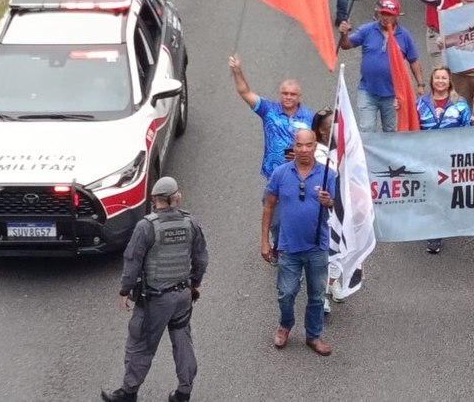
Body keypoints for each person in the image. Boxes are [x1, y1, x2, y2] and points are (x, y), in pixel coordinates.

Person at [101, 177, 209, 402]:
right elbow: (201, 258)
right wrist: (194, 283)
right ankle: (184, 392)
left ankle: (128, 392)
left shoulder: (146, 227)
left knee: (140, 345)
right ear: (176, 198)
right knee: (183, 342)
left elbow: (132, 260)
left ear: (154, 199)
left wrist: (125, 290)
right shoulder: (190, 223)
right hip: (182, 296)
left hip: (155, 300)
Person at [228, 54, 314, 263]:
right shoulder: (269, 110)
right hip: (275, 176)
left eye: (292, 94)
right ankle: (277, 242)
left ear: (299, 96)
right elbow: (245, 92)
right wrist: (237, 71)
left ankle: (295, 250)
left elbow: (320, 142)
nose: (288, 97)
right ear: (280, 94)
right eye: (285, 93)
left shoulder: (310, 118)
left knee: (298, 216)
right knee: (275, 219)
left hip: (301, 175)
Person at [263, 129, 337, 356]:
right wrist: (264, 241)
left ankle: (313, 335)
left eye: (308, 145)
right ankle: (285, 325)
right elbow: (269, 206)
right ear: (293, 147)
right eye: (299, 145)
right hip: (288, 246)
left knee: (317, 295)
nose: (304, 150)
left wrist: (328, 202)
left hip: (317, 246)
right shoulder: (280, 174)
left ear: (315, 146)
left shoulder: (328, 175)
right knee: (286, 293)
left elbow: (338, 208)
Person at [338, 0, 425, 132]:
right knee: (367, 129)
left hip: (393, 94)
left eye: (389, 14)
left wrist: (420, 85)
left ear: (397, 16)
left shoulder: (404, 35)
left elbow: (413, 60)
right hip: (367, 90)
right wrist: (344, 34)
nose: (385, 17)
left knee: (390, 131)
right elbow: (346, 45)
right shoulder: (367, 30)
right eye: (383, 13)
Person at [417, 66, 474, 253]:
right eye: (437, 78)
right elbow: (411, 131)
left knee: (448, 194)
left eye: (444, 78)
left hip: (452, 159)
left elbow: (466, 132)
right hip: (428, 159)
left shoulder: (461, 104)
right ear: (432, 80)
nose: (440, 81)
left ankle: (450, 220)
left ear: (450, 81)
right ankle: (434, 235)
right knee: (433, 195)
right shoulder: (420, 104)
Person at [311, 108, 344, 313]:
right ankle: (319, 293)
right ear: (322, 131)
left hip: (341, 207)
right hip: (320, 212)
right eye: (333, 126)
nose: (338, 129)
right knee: (322, 252)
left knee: (339, 248)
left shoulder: (345, 148)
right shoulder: (316, 154)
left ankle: (332, 282)